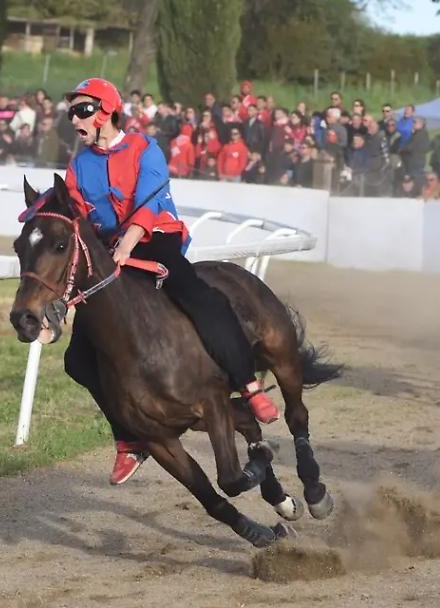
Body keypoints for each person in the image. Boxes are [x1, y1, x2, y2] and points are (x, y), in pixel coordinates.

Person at [52, 78, 279, 486]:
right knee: (78, 360)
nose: (75, 118)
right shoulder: (77, 166)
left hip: (156, 237)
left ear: (107, 111)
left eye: (83, 110)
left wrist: (128, 244)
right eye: (72, 112)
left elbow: (148, 203)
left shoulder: (145, 149)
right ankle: (129, 439)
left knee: (201, 299)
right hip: (109, 252)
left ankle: (248, 385)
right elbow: (78, 217)